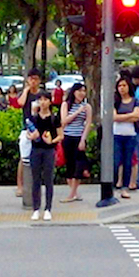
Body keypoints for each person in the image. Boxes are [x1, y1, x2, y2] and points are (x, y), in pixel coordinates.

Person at [28, 91, 62, 221]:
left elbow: (60, 135)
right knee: (35, 180)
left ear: (50, 101)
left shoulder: (54, 118)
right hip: (35, 150)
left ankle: (48, 208)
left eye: (45, 99)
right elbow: (28, 132)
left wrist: (52, 141)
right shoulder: (34, 118)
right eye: (40, 100)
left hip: (49, 151)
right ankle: (36, 208)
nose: (43, 102)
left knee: (48, 180)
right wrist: (31, 136)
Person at [60, 82, 92, 203]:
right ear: (74, 92)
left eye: (84, 91)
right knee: (70, 165)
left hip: (79, 137)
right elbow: (64, 121)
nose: (82, 93)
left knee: (79, 166)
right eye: (79, 91)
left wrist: (83, 139)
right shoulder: (66, 105)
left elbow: (88, 123)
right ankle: (74, 192)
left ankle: (72, 194)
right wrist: (77, 112)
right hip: (67, 137)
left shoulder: (87, 106)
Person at [113, 76, 139, 198]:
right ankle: (113, 187)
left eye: (124, 85)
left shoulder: (135, 101)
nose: (122, 88)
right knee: (116, 161)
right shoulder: (115, 101)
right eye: (119, 86)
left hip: (130, 136)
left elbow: (137, 117)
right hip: (117, 135)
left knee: (128, 162)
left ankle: (125, 188)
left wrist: (122, 116)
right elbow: (114, 117)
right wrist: (129, 116)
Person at [16, 69, 42, 197]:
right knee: (23, 158)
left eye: (36, 79)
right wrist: (26, 90)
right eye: (31, 79)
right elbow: (20, 103)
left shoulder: (41, 95)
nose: (33, 81)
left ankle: (36, 184)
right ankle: (20, 185)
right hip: (26, 129)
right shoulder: (25, 94)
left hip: (39, 128)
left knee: (39, 158)